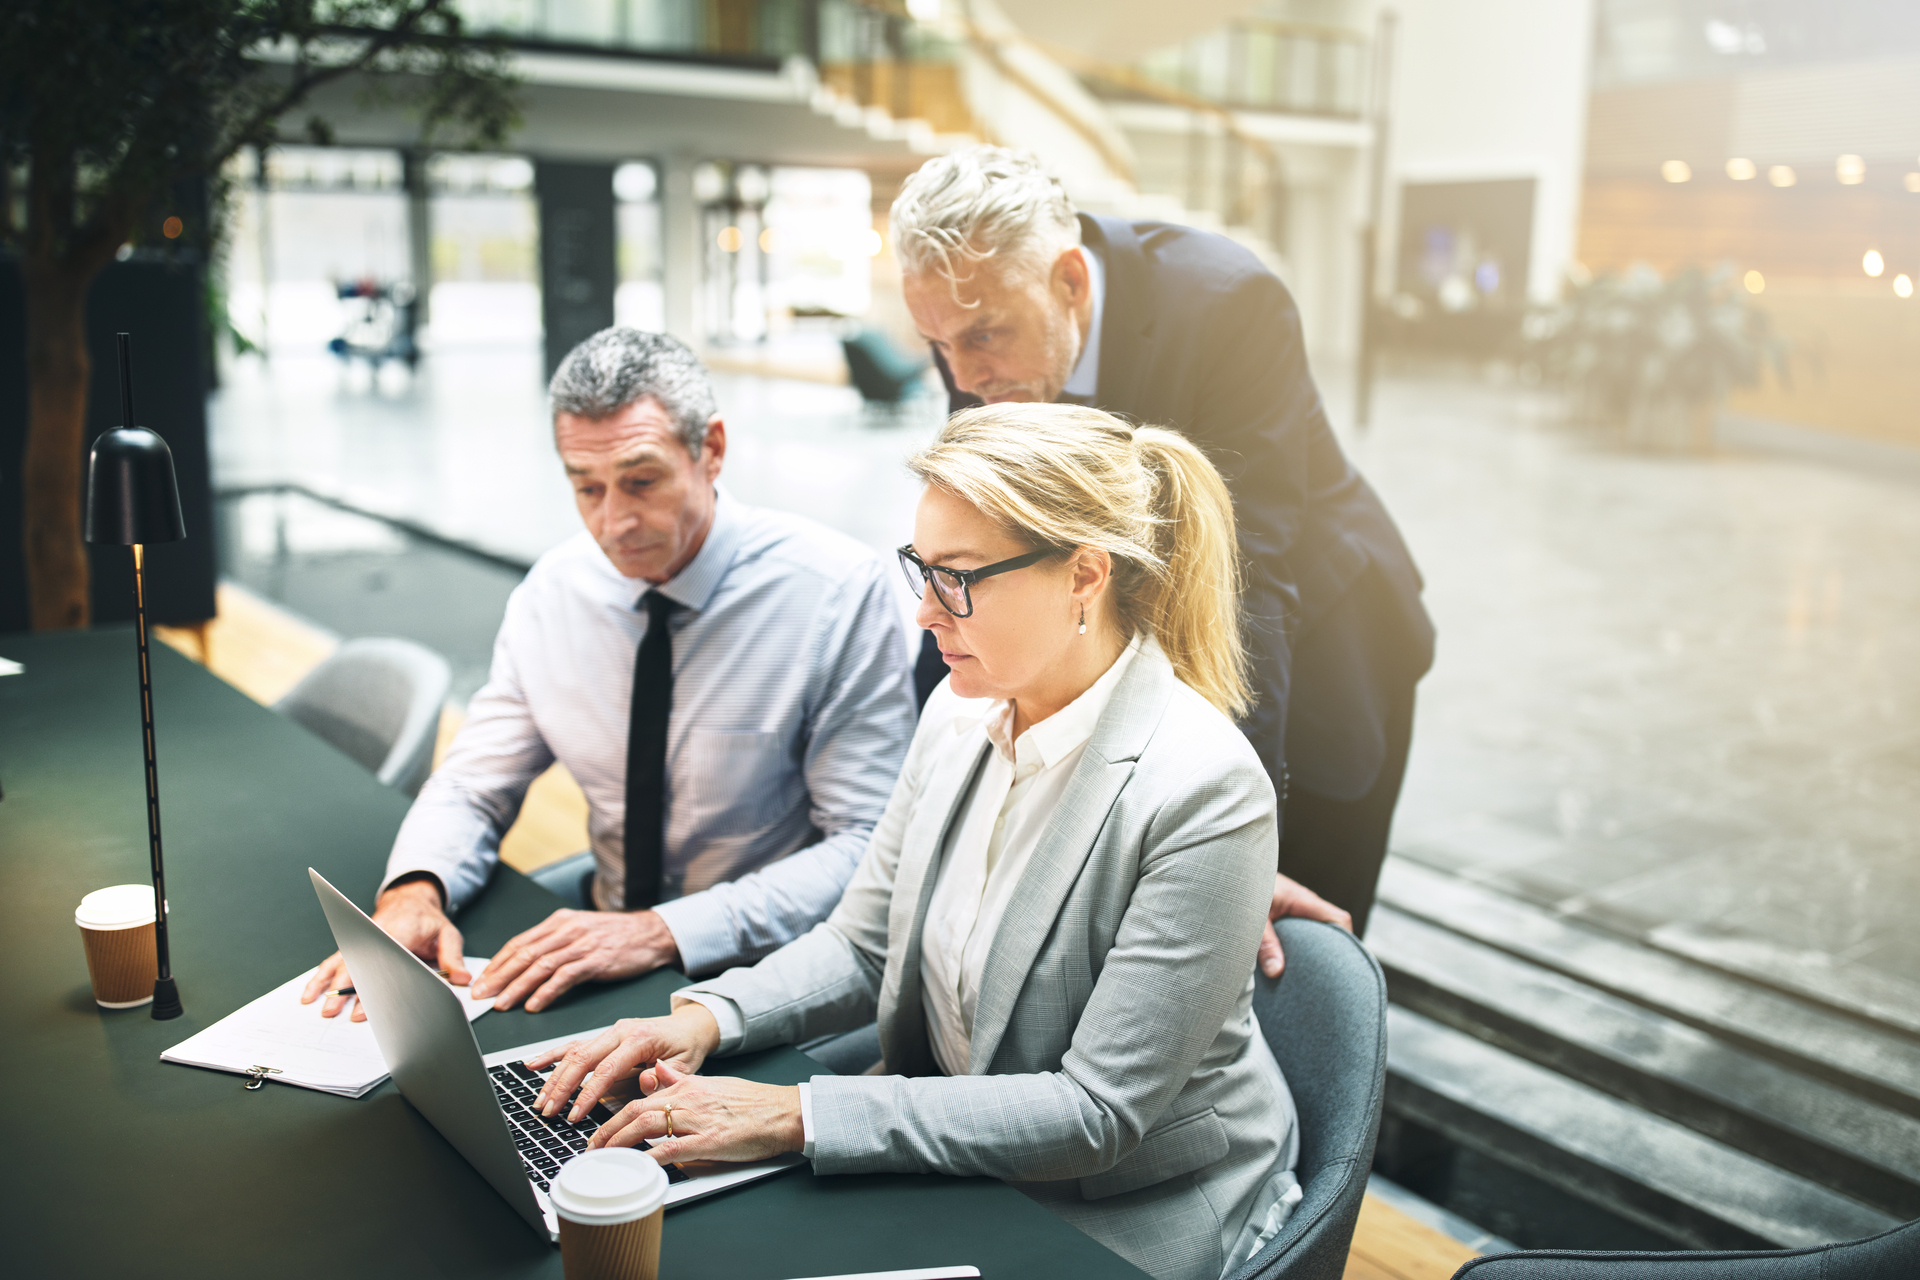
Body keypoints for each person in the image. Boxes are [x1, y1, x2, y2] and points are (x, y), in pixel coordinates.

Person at [526, 404, 1303, 1280]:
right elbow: (861, 945)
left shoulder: (1203, 790)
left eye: (960, 578)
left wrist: (796, 1116)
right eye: (921, 570)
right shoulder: (960, 710)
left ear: (1085, 575)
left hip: (1121, 1203)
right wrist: (708, 1017)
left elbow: (1096, 1114)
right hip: (955, 1148)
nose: (927, 615)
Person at [890, 147, 1436, 938]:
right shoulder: (977, 334)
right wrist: (931, 766)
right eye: (937, 344)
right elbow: (968, 546)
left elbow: (1246, 578)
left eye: (983, 336)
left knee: (1286, 934)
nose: (965, 377)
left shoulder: (1229, 305)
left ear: (1070, 282)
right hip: (1158, 627)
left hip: (1321, 649)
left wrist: (1238, 843)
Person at [302, 328, 916, 1024]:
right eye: (586, 487)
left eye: (641, 481)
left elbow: (866, 848)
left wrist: (662, 932)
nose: (614, 521)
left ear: (710, 450)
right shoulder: (554, 594)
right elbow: (475, 782)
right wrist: (414, 890)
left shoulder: (834, 592)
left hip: (771, 969)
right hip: (607, 927)